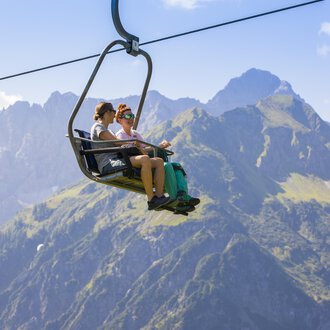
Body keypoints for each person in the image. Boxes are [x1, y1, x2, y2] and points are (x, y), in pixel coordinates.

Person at [115, 103, 200, 210]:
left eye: (132, 116)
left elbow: (145, 150)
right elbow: (129, 152)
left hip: (145, 159)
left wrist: (159, 147)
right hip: (137, 162)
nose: (131, 118)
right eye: (128, 116)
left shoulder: (136, 134)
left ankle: (184, 196)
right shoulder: (120, 135)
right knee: (167, 166)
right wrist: (142, 148)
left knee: (176, 166)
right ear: (120, 119)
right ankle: (176, 200)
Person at [91, 101, 171, 211]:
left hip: (117, 160)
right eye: (113, 112)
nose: (114, 115)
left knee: (159, 161)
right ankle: (151, 199)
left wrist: (137, 146)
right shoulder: (98, 127)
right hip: (108, 163)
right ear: (106, 113)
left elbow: (119, 143)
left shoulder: (108, 130)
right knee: (144, 159)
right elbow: (117, 142)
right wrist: (134, 145)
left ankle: (159, 196)